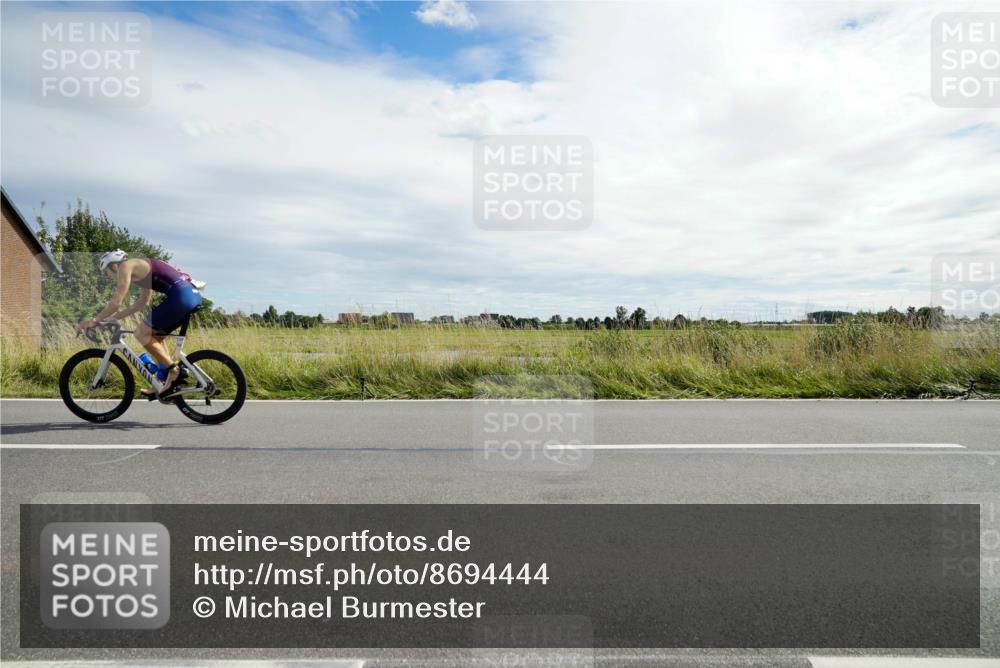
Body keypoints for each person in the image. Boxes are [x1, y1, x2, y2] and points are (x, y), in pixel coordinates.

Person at [76, 250, 203, 398]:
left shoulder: (125, 267)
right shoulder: (142, 267)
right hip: (191, 296)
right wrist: (116, 317)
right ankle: (161, 382)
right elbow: (143, 302)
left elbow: (117, 302)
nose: (108, 277)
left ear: (113, 267)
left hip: (182, 297)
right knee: (155, 336)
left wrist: (93, 321)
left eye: (106, 272)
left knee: (140, 333)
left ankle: (174, 371)